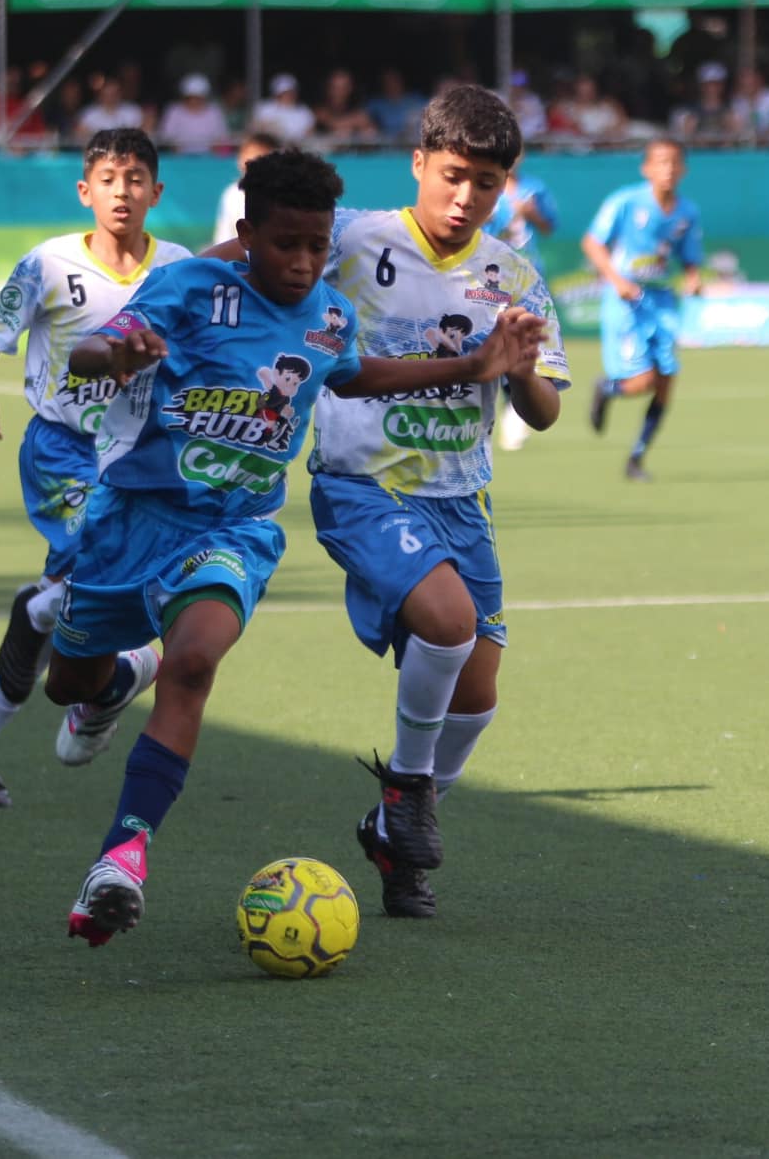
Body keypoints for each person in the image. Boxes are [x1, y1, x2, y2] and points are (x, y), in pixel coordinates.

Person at [43, 147, 543, 947]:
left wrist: (475, 364)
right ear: (246, 235)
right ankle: (105, 687)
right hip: (128, 521)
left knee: (195, 661)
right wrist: (117, 355)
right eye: (286, 245)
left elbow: (356, 375)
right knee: (68, 677)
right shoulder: (189, 289)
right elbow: (94, 349)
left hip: (233, 528)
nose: (306, 263)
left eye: (317, 247)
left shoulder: (328, 316)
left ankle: (120, 860)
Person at [287, 86, 565, 919]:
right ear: (418, 163)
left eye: (485, 183)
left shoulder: (512, 276)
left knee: (476, 699)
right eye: (451, 175)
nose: (464, 197)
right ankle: (406, 792)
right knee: (447, 623)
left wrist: (515, 364)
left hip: (460, 500)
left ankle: (390, 835)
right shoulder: (351, 238)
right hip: (361, 484)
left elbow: (544, 410)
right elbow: (245, 254)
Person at [0, 128, 195, 808]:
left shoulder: (178, 265)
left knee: (66, 604)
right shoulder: (48, 264)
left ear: (156, 192)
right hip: (63, 450)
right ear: (86, 191)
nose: (124, 191)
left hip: (142, 455)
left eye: (137, 178)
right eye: (110, 179)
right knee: (96, 573)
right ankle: (113, 681)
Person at [582, 138, 704, 481]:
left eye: (674, 163)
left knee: (666, 380)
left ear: (683, 169)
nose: (667, 169)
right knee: (643, 380)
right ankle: (607, 389)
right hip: (627, 302)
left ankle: (636, 458)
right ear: (646, 168)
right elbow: (592, 243)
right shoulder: (625, 202)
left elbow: (690, 257)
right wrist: (617, 280)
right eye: (660, 162)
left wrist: (693, 279)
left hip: (662, 301)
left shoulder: (687, 213)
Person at [488, 155, 562, 452]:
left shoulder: (534, 188)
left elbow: (548, 227)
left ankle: (513, 408)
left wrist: (531, 214)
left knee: (520, 343)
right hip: (489, 276)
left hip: (527, 275)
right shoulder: (485, 186)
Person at [210, 131, 282, 246]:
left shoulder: (285, 193)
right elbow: (223, 237)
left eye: (259, 154)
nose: (251, 160)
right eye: (247, 154)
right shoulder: (232, 194)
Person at [156, 73, 227, 154]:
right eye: (191, 98)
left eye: (198, 98)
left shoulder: (214, 112)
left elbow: (222, 138)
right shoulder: (174, 111)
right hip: (178, 159)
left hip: (209, 159)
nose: (194, 101)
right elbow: (165, 137)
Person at [312, 68, 377, 145]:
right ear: (328, 88)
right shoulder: (319, 109)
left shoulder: (358, 108)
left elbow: (372, 128)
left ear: (350, 88)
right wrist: (353, 123)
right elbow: (331, 122)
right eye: (334, 87)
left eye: (343, 88)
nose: (338, 92)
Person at [252, 72, 316, 144]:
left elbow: (310, 133)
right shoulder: (265, 108)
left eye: (291, 92)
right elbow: (257, 129)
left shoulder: (304, 111)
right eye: (284, 93)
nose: (288, 95)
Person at [76, 78, 145, 143]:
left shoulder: (133, 110)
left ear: (120, 93)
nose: (110, 97)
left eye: (114, 94)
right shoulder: (88, 114)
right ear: (100, 95)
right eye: (107, 94)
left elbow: (142, 134)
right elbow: (79, 136)